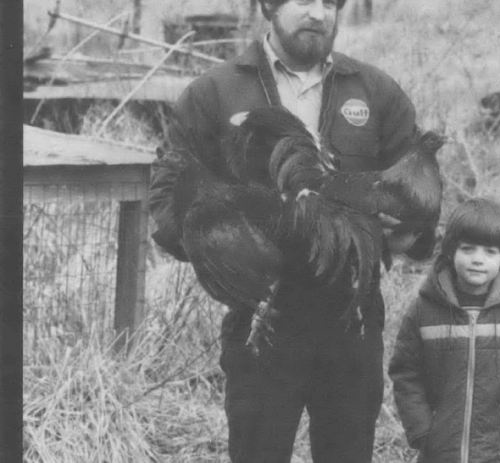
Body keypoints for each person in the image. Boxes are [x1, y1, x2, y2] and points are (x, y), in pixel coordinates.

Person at [148, 0, 419, 462]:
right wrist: (222, 249)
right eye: (303, 1)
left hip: (351, 314)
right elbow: (168, 191)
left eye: (330, 3)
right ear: (269, 6)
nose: (318, 13)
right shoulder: (213, 92)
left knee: (347, 452)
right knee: (258, 451)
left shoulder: (376, 92)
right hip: (263, 315)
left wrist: (405, 225)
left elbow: (415, 190)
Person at [388, 198, 500, 463]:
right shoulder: (423, 311)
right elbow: (405, 372)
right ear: (450, 252)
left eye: (489, 252)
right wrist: (422, 429)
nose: (478, 260)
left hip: (497, 449)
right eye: (468, 249)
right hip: (438, 450)